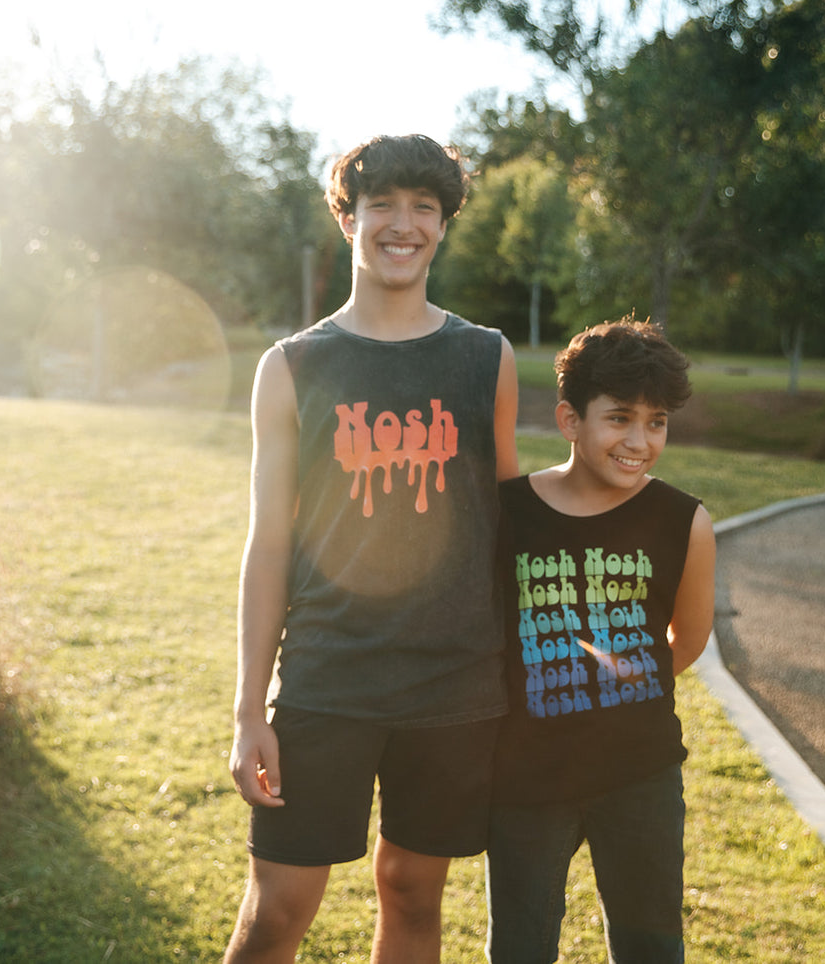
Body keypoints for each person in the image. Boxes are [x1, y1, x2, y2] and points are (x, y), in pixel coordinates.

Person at [224, 133, 520, 963]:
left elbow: (508, 523)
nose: (402, 223)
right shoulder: (292, 366)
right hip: (328, 681)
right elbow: (268, 541)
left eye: (423, 207)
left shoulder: (484, 357)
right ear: (347, 218)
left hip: (454, 685)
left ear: (443, 225)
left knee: (413, 895)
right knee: (275, 913)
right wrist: (251, 709)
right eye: (381, 204)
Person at [484, 316, 716, 964]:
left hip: (639, 772)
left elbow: (688, 639)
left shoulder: (683, 522)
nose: (638, 440)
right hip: (526, 777)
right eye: (618, 418)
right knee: (519, 948)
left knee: (650, 948)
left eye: (656, 421)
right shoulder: (508, 514)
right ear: (569, 420)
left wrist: (618, 688)